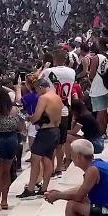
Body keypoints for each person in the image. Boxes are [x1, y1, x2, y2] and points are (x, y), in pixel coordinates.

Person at [17, 78, 63, 199]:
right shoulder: (57, 97)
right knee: (47, 159)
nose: (37, 93)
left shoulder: (44, 98)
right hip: (56, 130)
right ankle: (44, 188)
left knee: (35, 159)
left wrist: (28, 118)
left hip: (45, 131)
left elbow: (36, 117)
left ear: (41, 87)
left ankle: (31, 188)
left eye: (37, 89)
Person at [41, 48, 76, 177]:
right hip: (66, 108)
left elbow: (37, 83)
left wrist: (44, 67)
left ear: (54, 59)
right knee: (61, 142)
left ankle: (49, 169)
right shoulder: (72, 72)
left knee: (50, 142)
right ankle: (59, 167)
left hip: (51, 109)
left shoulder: (48, 71)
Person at [86, 38, 108, 138]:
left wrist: (88, 74)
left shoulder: (96, 58)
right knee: (104, 111)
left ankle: (98, 134)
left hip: (99, 88)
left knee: (99, 113)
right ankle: (104, 132)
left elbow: (91, 75)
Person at [65, 100, 104, 168]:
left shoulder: (83, 117)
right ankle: (70, 156)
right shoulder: (87, 114)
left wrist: (63, 131)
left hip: (95, 144)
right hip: (98, 142)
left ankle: (68, 159)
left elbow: (73, 131)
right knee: (70, 137)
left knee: (67, 137)